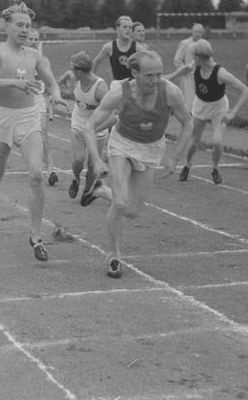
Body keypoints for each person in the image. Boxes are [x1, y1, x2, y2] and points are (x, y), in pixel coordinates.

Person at [80, 50, 193, 278]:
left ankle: (102, 190)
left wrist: (175, 157)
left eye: (159, 74)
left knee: (131, 211)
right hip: (122, 144)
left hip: (151, 149)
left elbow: (188, 123)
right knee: (120, 205)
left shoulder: (171, 92)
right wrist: (95, 159)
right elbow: (88, 127)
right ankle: (114, 256)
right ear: (134, 73)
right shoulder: (118, 95)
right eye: (149, 75)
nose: (155, 80)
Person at [0, 2, 68, 261]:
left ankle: (36, 237)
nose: (25, 30)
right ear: (8, 26)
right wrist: (14, 81)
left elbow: (51, 82)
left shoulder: (35, 56)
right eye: (20, 25)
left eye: (28, 25)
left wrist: (57, 96)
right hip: (3, 118)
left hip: (28, 118)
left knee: (36, 175)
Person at [170, 39, 248, 185]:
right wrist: (170, 76)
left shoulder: (221, 73)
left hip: (219, 107)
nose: (192, 59)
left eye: (194, 56)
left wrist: (232, 113)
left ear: (199, 57)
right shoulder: (196, 65)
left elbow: (246, 91)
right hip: (200, 105)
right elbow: (186, 69)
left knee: (217, 141)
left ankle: (214, 168)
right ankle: (187, 165)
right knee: (194, 141)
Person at [57, 51, 112, 204]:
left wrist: (90, 130)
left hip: (97, 127)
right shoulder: (75, 77)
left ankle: (87, 191)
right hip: (78, 123)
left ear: (80, 71)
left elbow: (111, 116)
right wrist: (60, 81)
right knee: (79, 160)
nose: (71, 73)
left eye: (73, 70)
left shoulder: (100, 88)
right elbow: (68, 74)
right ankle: (75, 179)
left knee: (92, 163)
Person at [27, 29, 58, 186]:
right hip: (21, 102)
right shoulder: (17, 58)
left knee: (43, 135)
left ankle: (51, 171)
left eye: (36, 39)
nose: (33, 41)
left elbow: (50, 83)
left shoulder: (44, 61)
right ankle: (34, 163)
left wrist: (52, 97)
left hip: (38, 100)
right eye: (30, 38)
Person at [90, 15, 142, 88]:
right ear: (117, 29)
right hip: (117, 85)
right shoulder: (109, 47)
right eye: (125, 27)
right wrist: (91, 79)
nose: (128, 29)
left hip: (133, 85)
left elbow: (150, 63)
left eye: (130, 27)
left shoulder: (138, 47)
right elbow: (96, 61)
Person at [171, 23, 206, 109]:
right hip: (187, 76)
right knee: (188, 100)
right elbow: (177, 60)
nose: (198, 34)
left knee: (200, 99)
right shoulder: (185, 43)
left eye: (200, 32)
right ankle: (188, 118)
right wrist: (185, 70)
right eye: (196, 32)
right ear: (192, 32)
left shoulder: (203, 44)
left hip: (201, 75)